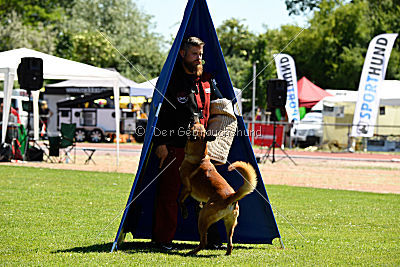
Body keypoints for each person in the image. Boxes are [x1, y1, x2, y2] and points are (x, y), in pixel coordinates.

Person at [152, 37, 223, 250]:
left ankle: (210, 240)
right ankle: (163, 240)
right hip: (175, 146)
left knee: (205, 194)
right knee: (169, 193)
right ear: (182, 54)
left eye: (201, 54)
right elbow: (160, 114)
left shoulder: (208, 80)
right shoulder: (171, 80)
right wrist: (160, 142)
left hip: (201, 151)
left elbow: (224, 106)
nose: (199, 58)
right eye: (194, 54)